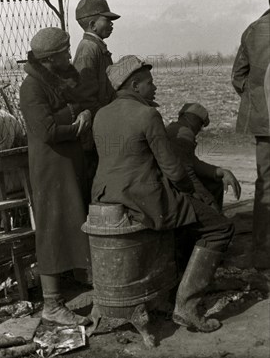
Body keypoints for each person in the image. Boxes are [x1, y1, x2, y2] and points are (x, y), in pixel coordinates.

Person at [92, 56, 234, 332]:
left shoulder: (101, 114)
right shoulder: (147, 115)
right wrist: (200, 197)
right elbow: (174, 170)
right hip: (141, 199)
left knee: (189, 218)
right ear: (135, 85)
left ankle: (176, 284)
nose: (154, 88)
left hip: (105, 196)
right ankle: (187, 308)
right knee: (220, 227)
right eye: (150, 83)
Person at [19, 27, 92, 326]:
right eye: (64, 51)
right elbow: (46, 130)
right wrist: (77, 120)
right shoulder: (32, 88)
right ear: (50, 58)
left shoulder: (60, 79)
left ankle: (81, 278)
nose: (68, 54)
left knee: (75, 220)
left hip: (67, 163)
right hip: (50, 167)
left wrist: (79, 112)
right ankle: (51, 304)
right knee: (51, 227)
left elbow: (77, 104)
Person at [232, 0, 270, 270]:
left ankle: (261, 253)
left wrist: (259, 99)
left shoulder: (253, 30)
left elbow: (238, 77)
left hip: (265, 121)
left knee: (266, 183)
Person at [73, 0, 120, 184]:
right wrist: (105, 118)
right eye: (107, 20)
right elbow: (85, 96)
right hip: (94, 130)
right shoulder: (88, 49)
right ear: (92, 24)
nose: (111, 24)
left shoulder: (95, 47)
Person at [166, 102, 241, 212]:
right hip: (173, 187)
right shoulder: (184, 133)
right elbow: (188, 173)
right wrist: (209, 202)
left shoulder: (173, 128)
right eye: (200, 125)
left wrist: (219, 171)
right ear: (193, 120)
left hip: (170, 182)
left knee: (215, 182)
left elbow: (191, 161)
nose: (200, 130)